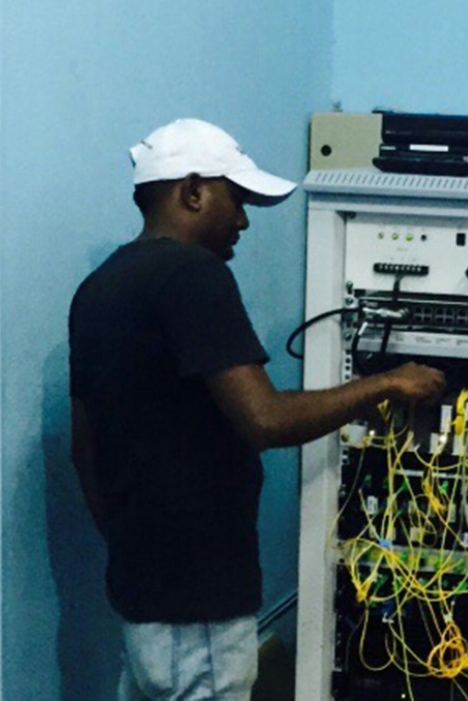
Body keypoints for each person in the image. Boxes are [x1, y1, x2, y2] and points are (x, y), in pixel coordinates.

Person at [68, 118, 446, 700]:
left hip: (142, 595)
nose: (243, 220)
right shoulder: (193, 275)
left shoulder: (99, 287)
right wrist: (387, 384)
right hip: (199, 602)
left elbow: (85, 449)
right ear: (193, 192)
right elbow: (265, 419)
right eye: (237, 199)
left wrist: (137, 552)